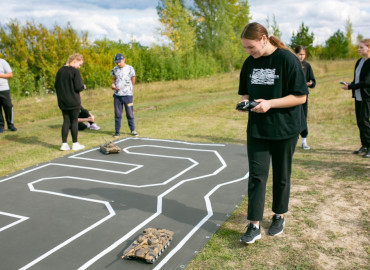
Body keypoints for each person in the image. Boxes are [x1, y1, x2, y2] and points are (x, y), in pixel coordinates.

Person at [237, 22, 308, 244]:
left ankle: (279, 216)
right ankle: (254, 224)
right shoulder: (249, 63)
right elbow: (246, 94)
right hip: (257, 130)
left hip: (285, 129)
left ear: (264, 39)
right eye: (246, 48)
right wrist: (244, 104)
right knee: (257, 177)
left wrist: (270, 104)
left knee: (281, 175)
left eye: (251, 47)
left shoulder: (287, 60)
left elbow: (300, 97)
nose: (249, 52)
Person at [341, 39, 370, 158]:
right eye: (358, 47)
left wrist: (351, 87)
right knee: (359, 121)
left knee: (365, 121)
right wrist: (350, 84)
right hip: (358, 96)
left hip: (367, 97)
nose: (359, 49)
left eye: (361, 47)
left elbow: (367, 82)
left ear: (369, 48)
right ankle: (364, 145)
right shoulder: (359, 61)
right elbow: (357, 80)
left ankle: (369, 146)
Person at [55, 53, 86, 151]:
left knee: (66, 121)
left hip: (62, 101)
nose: (79, 67)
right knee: (74, 121)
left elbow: (56, 86)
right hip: (73, 100)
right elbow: (78, 87)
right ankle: (75, 143)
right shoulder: (74, 71)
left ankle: (64, 144)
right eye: (79, 64)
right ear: (75, 60)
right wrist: (83, 87)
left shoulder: (60, 71)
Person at [111, 53, 138, 137]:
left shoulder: (130, 69)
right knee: (118, 114)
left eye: (119, 62)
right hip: (117, 96)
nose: (118, 64)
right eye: (116, 62)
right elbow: (113, 80)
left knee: (129, 113)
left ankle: (132, 130)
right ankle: (117, 131)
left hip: (128, 96)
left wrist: (127, 88)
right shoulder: (114, 69)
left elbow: (133, 80)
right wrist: (112, 85)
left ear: (124, 60)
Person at [295, 45, 316, 150]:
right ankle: (292, 141)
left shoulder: (307, 66)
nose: (302, 57)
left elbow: (313, 82)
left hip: (303, 97)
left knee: (303, 118)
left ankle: (304, 141)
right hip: (292, 97)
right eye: (300, 54)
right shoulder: (292, 64)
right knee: (293, 118)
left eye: (303, 54)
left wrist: (309, 84)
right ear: (295, 54)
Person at [0, 58, 17, 133]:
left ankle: (10, 125)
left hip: (4, 89)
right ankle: (1, 126)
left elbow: (10, 74)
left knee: (8, 106)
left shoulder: (2, 62)